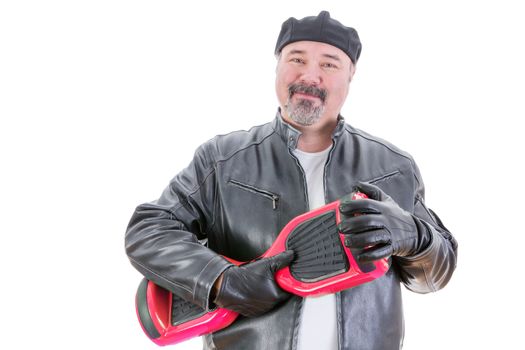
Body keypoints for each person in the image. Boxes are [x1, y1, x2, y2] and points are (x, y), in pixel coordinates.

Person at [125, 11, 458, 350]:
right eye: (296, 59)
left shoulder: (394, 166)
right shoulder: (222, 160)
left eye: (329, 64)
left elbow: (435, 274)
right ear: (278, 66)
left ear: (351, 75)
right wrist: (221, 281)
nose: (310, 75)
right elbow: (148, 229)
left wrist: (415, 237)